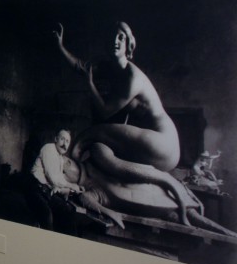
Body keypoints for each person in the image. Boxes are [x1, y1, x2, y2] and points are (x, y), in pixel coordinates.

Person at [53, 22, 201, 224]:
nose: (115, 40)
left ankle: (74, 154)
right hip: (149, 146)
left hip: (163, 143)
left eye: (121, 37)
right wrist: (60, 46)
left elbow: (105, 113)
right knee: (100, 149)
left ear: (129, 44)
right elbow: (81, 67)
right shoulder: (110, 69)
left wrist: (90, 84)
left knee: (95, 133)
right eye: (112, 36)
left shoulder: (133, 76)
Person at [26, 129, 84, 232]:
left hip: (45, 189)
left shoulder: (60, 158)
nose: (64, 144)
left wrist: (58, 187)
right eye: (62, 139)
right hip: (33, 186)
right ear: (56, 139)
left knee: (69, 210)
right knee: (46, 215)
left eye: (67, 141)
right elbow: (53, 177)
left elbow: (59, 178)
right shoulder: (49, 149)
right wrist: (71, 186)